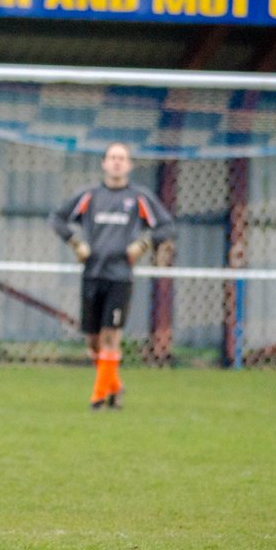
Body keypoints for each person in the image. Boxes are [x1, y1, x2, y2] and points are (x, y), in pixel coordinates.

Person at [49, 142, 176, 410]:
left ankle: (98, 397)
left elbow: (166, 226)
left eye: (122, 158)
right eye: (112, 157)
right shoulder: (90, 196)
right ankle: (114, 386)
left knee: (111, 335)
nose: (117, 162)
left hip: (120, 276)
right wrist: (76, 243)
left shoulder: (139, 197)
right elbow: (58, 219)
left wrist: (142, 245)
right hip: (92, 273)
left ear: (129, 165)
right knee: (93, 342)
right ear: (104, 163)